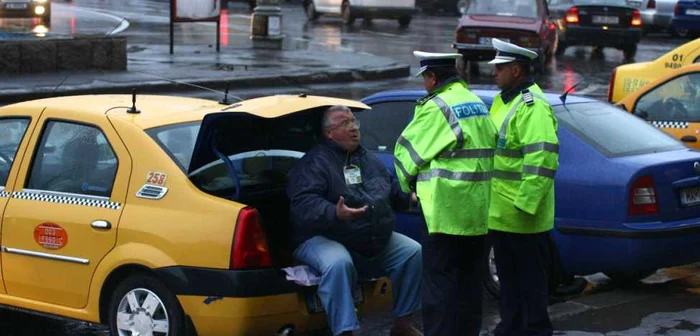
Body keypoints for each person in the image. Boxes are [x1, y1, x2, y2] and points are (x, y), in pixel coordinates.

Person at [288, 105, 423, 336]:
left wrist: (410, 198)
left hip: (363, 235)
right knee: (338, 263)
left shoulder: (368, 159)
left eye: (354, 122)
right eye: (345, 124)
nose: (354, 129)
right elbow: (303, 204)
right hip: (322, 236)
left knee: (412, 251)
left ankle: (403, 324)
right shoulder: (315, 162)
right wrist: (334, 212)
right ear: (329, 133)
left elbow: (390, 190)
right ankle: (345, 331)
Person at [394, 51, 498, 336]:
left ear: (432, 77)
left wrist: (408, 187)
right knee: (468, 286)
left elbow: (406, 153)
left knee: (439, 287)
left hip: (444, 212)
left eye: (425, 79)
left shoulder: (436, 107)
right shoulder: (476, 103)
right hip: (475, 212)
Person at [487, 38, 560, 336]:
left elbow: (543, 160)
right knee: (509, 277)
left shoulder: (532, 106)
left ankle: (536, 329)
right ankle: (511, 326)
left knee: (530, 279)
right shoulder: (503, 100)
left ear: (516, 70)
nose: (494, 73)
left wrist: (526, 204)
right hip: (501, 212)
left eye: (500, 68)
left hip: (521, 214)